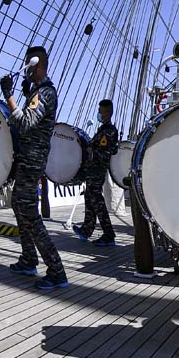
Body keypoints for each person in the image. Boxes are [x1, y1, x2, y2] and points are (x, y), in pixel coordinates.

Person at [0, 46, 69, 290]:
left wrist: (9, 96)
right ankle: (29, 259)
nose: (26, 70)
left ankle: (57, 271)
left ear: (36, 64)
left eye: (28, 65)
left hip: (32, 161)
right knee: (20, 206)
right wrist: (26, 95)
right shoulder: (38, 92)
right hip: (28, 159)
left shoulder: (46, 92)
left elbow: (26, 122)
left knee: (30, 214)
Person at [73, 99, 119, 247]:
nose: (98, 113)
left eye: (101, 111)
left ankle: (108, 234)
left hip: (97, 170)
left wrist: (89, 149)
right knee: (90, 197)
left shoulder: (109, 132)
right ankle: (87, 229)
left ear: (108, 113)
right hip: (92, 171)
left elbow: (104, 154)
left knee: (97, 200)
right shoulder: (102, 130)